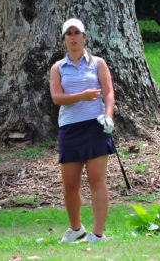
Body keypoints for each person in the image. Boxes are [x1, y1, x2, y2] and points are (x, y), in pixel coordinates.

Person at [49, 18, 116, 244]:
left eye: (77, 33)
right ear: (64, 39)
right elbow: (57, 98)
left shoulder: (97, 63)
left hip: (95, 126)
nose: (74, 37)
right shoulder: (58, 68)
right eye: (69, 33)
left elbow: (108, 92)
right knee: (70, 185)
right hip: (69, 128)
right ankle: (76, 229)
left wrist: (108, 116)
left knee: (97, 181)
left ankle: (97, 233)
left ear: (84, 37)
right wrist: (81, 96)